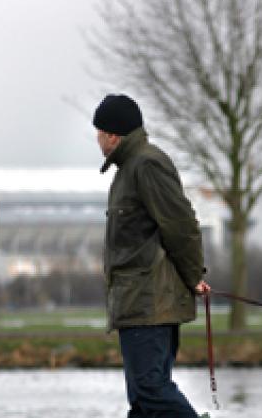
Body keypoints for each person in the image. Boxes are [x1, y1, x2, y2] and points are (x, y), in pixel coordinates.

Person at [95, 93, 211, 418]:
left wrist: (193, 277)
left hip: (150, 302)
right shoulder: (127, 170)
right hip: (136, 301)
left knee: (150, 389)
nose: (97, 140)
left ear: (113, 135)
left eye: (99, 133)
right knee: (143, 401)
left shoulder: (146, 164)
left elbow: (181, 225)